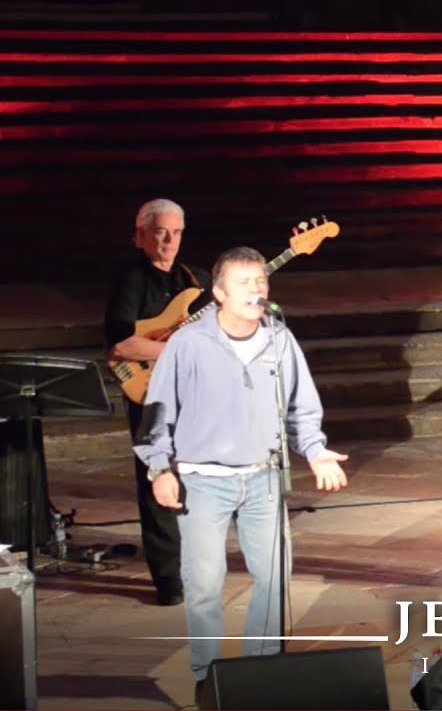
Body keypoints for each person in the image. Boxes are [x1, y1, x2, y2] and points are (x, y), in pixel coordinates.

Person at [133, 246, 348, 695]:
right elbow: (157, 410)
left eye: (261, 282)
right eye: (245, 283)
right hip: (203, 480)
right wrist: (159, 469)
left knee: (274, 579)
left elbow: (301, 407)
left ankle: (261, 671)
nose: (257, 290)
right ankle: (205, 678)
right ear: (219, 293)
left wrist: (316, 450)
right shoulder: (189, 343)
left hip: (264, 477)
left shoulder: (279, 338)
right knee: (205, 585)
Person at [104, 198, 211, 606]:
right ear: (141, 235)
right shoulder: (131, 278)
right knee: (158, 481)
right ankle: (169, 580)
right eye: (161, 232)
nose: (169, 240)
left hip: (195, 394)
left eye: (176, 232)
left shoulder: (196, 279)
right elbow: (120, 343)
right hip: (150, 392)